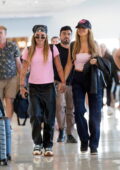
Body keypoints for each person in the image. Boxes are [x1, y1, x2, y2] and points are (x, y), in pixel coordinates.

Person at [65, 19, 111, 154]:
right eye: (79, 28)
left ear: (89, 30)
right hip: (77, 80)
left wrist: (95, 60)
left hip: (93, 79)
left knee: (95, 113)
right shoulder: (73, 45)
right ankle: (84, 140)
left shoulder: (94, 44)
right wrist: (63, 81)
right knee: (78, 111)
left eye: (83, 28)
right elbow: (69, 64)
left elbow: (101, 63)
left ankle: (94, 145)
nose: (80, 30)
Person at [20, 25, 65, 157]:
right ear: (34, 36)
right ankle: (37, 144)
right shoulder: (29, 50)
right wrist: (21, 86)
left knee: (49, 117)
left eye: (42, 35)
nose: (40, 38)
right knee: (35, 116)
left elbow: (59, 67)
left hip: (49, 87)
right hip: (34, 87)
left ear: (46, 36)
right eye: (37, 35)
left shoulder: (52, 48)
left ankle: (48, 145)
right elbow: (23, 69)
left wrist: (63, 82)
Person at [0, 25, 21, 160]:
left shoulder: (13, 46)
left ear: (5, 34)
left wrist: (23, 80)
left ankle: (7, 124)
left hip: (12, 77)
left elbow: (18, 63)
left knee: (9, 100)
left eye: (1, 33)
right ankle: (1, 124)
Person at [54, 26, 77, 143]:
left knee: (70, 109)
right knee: (59, 107)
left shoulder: (74, 48)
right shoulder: (55, 49)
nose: (66, 36)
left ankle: (70, 133)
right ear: (60, 35)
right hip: (58, 83)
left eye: (69, 34)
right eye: (64, 33)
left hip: (72, 84)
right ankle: (61, 131)